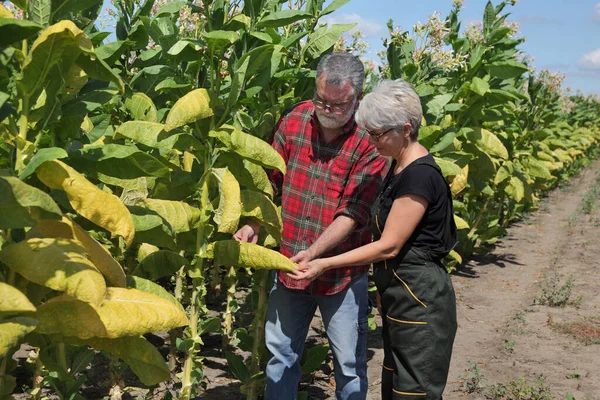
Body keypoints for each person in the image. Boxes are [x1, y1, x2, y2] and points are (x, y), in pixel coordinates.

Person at [290, 79, 458, 400]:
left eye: (379, 134)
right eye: (369, 132)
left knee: (413, 392)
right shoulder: (398, 168)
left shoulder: (420, 176)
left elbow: (389, 245)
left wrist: (323, 262)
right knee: (395, 389)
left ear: (406, 129)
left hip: (421, 299)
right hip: (401, 296)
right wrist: (384, 290)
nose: (373, 141)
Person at [234, 52, 388, 399]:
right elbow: (269, 182)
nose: (327, 109)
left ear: (357, 99)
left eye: (338, 104)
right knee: (280, 357)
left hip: (341, 274)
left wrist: (315, 255)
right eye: (321, 100)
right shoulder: (295, 121)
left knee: (349, 365)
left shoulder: (368, 140)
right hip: (289, 264)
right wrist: (254, 224)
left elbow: (353, 211)